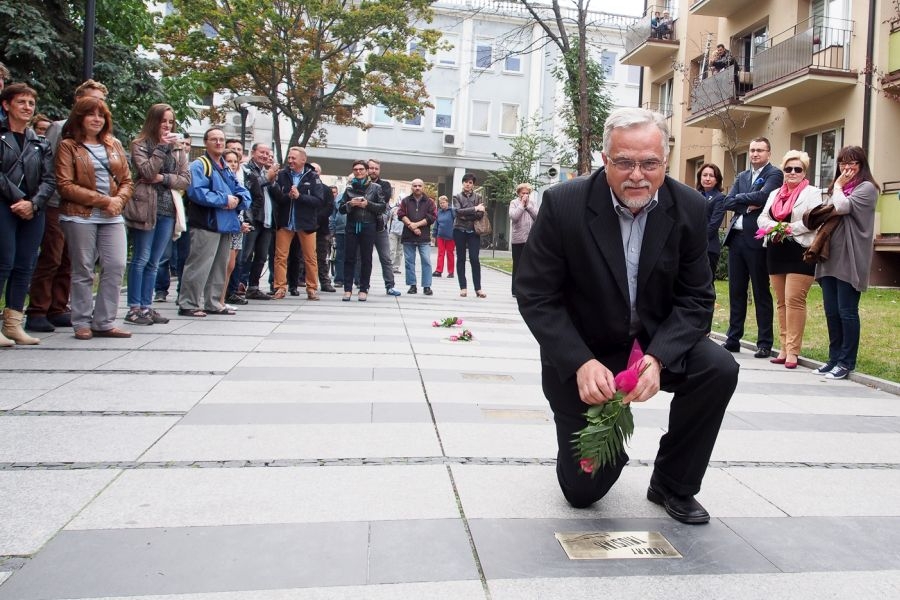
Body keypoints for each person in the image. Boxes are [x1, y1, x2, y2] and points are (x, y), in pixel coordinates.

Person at [516, 107, 738, 525]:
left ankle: (673, 482)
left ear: (665, 161)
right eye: (624, 162)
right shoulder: (564, 204)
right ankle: (601, 456)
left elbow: (697, 298)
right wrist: (578, 362)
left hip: (652, 344)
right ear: (605, 159)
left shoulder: (688, 206)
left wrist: (659, 358)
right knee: (584, 493)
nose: (638, 174)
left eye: (649, 163)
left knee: (718, 368)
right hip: (586, 353)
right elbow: (535, 293)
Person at [26, 80, 109, 333]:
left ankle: (58, 307)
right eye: (91, 99)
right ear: (78, 101)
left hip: (83, 205)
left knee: (70, 258)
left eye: (101, 102)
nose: (97, 106)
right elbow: (47, 166)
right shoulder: (60, 128)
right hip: (55, 202)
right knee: (52, 253)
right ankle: (38, 309)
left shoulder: (102, 135)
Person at [56, 96, 134, 339]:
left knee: (116, 265)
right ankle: (81, 321)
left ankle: (104, 321)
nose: (97, 119)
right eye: (91, 114)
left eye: (101, 115)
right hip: (80, 216)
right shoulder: (69, 146)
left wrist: (118, 201)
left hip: (112, 216)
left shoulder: (114, 144)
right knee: (83, 269)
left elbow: (127, 181)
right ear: (80, 117)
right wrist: (105, 201)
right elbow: (65, 185)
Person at [812, 146, 879, 380]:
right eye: (842, 163)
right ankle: (833, 359)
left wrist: (838, 187)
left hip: (850, 257)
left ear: (862, 165)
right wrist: (838, 188)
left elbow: (841, 207)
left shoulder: (867, 188)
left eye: (852, 163)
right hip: (830, 256)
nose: (847, 168)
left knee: (847, 311)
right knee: (831, 311)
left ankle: (846, 362)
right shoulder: (839, 188)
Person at [124, 103, 189, 326]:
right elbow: (146, 171)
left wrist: (163, 179)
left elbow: (185, 180)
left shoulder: (178, 149)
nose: (167, 126)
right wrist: (161, 148)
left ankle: (146, 306)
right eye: (163, 121)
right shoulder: (140, 145)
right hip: (145, 207)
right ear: (154, 122)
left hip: (168, 209)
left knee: (155, 260)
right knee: (141, 258)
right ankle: (133, 308)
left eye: (171, 122)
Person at [0, 83, 55, 347]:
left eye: (31, 103)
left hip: (34, 209)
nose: (27, 107)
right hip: (5, 206)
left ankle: (13, 323)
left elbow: (49, 178)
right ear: (6, 105)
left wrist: (33, 204)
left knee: (25, 265)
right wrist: (18, 199)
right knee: (4, 262)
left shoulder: (40, 141)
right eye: (21, 102)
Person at [757, 151, 821, 369]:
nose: (792, 173)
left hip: (800, 251)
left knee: (794, 300)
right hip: (776, 250)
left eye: (798, 169)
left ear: (804, 172)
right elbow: (761, 218)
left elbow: (813, 220)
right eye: (788, 169)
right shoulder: (775, 193)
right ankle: (784, 348)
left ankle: (793, 351)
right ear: (783, 171)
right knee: (781, 302)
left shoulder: (812, 193)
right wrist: (775, 227)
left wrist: (787, 228)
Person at [177, 127, 251, 317]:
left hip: (226, 224)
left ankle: (214, 302)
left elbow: (241, 190)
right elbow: (196, 192)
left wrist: (239, 201)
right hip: (206, 223)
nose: (218, 143)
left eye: (221, 139)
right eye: (214, 139)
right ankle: (188, 303)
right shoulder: (200, 165)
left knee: (220, 265)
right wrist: (224, 200)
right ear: (206, 142)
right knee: (199, 264)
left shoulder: (225, 167)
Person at [722, 137, 781, 357]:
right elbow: (728, 201)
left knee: (760, 291)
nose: (755, 154)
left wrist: (741, 200)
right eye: (752, 150)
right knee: (735, 291)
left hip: (756, 240)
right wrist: (747, 203)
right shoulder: (742, 176)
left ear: (768, 153)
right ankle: (733, 338)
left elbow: (765, 196)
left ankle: (764, 342)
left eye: (759, 150)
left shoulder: (774, 174)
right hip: (736, 240)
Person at [270, 147, 323, 300]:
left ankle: (312, 288)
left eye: (294, 158)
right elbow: (279, 198)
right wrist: (288, 195)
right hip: (285, 222)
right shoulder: (282, 175)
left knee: (310, 257)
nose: (290, 161)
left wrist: (300, 197)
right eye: (289, 158)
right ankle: (280, 287)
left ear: (303, 160)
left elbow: (319, 201)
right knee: (280, 256)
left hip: (306, 224)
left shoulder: (313, 176)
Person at [339, 159, 386, 302]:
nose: (358, 172)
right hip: (352, 225)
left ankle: (363, 288)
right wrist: (350, 204)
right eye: (356, 170)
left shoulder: (376, 188)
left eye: (361, 169)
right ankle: (347, 289)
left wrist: (367, 204)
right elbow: (340, 209)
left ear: (366, 171)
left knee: (366, 258)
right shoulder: (348, 189)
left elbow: (382, 206)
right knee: (349, 258)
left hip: (368, 225)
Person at [241, 142, 278, 301]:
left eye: (268, 154)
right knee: (246, 254)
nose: (265, 156)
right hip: (253, 218)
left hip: (268, 220)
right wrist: (267, 178)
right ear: (253, 152)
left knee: (262, 256)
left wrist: (273, 179)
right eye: (261, 152)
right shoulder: (246, 169)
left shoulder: (266, 171)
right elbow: (250, 188)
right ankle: (239, 285)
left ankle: (254, 287)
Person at [222, 149, 252, 307]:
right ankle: (217, 299)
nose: (233, 164)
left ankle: (222, 299)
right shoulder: (221, 177)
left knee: (231, 265)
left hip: (238, 224)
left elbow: (246, 200)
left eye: (235, 161)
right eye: (229, 161)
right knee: (225, 264)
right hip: (227, 225)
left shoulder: (237, 179)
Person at [367, 159, 401, 296]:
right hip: (364, 226)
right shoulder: (360, 185)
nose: (373, 171)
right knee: (363, 258)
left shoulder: (385, 185)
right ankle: (362, 284)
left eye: (376, 168)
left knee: (386, 258)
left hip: (380, 227)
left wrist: (367, 203)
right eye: (371, 168)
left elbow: (383, 200)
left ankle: (390, 285)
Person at [397, 178, 437, 295]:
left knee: (426, 260)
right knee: (409, 262)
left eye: (419, 186)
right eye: (415, 186)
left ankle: (427, 286)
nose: (417, 188)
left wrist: (417, 225)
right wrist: (411, 226)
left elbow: (432, 217)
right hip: (408, 236)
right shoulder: (405, 201)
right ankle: (412, 285)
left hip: (423, 237)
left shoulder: (430, 202)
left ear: (423, 187)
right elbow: (401, 214)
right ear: (411, 187)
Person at [452, 172, 487, 298]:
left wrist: (466, 214)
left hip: (473, 231)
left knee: (474, 259)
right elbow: (457, 212)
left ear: (473, 184)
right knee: (461, 258)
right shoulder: (456, 197)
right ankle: (463, 288)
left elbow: (480, 215)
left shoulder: (478, 197)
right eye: (466, 182)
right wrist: (474, 209)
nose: (468, 184)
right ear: (463, 183)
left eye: (470, 182)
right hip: (459, 230)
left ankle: (478, 288)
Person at [696, 163, 727, 279]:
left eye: (711, 176)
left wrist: (696, 240)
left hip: (708, 248)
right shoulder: (694, 195)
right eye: (704, 175)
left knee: (707, 282)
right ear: (700, 177)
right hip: (692, 247)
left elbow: (713, 226)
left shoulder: (720, 198)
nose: (707, 178)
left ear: (717, 179)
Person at [508, 182, 538, 297]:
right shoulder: (514, 203)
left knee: (529, 265)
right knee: (517, 265)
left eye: (527, 193)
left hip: (530, 239)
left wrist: (528, 206)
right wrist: (522, 205)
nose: (525, 195)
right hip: (517, 239)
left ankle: (527, 289)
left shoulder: (533, 203)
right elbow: (514, 217)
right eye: (523, 193)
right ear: (518, 193)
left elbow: (538, 216)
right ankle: (515, 290)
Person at [310, 162, 336, 292]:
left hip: (322, 228)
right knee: (302, 257)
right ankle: (299, 279)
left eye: (316, 170)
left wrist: (316, 219)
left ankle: (325, 282)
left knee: (322, 257)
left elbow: (329, 208)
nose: (313, 172)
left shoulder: (326, 189)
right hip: (305, 227)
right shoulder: (304, 187)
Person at [432, 195, 455, 278]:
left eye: (443, 202)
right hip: (440, 235)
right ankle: (439, 270)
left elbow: (457, 222)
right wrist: (434, 235)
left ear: (447, 202)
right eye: (440, 203)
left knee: (450, 254)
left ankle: (451, 272)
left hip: (451, 236)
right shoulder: (439, 212)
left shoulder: (452, 211)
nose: (442, 204)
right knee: (440, 253)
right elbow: (436, 224)